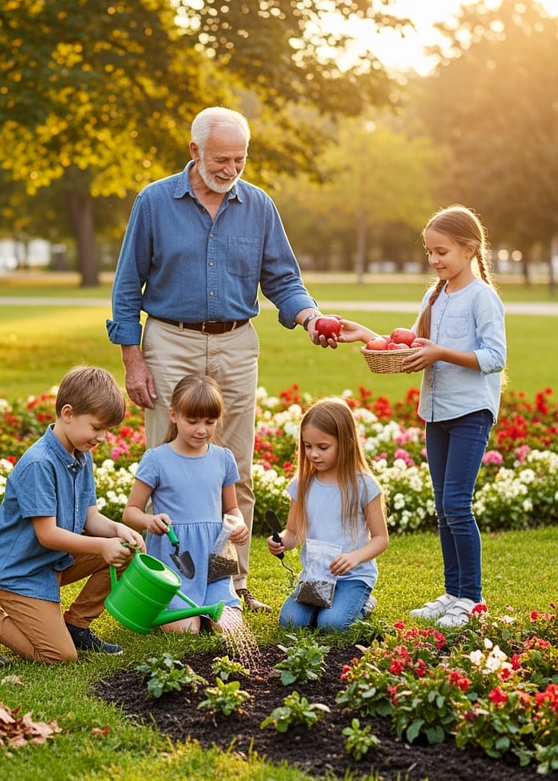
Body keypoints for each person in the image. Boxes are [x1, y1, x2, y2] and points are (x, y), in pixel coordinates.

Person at [107, 105, 338, 612]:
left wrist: (311, 317)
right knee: (169, 466)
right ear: (195, 152)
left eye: (239, 159)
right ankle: (169, 589)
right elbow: (127, 286)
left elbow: (283, 279)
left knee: (234, 470)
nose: (231, 169)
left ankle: (229, 587)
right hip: (170, 340)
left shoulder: (258, 206)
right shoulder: (154, 202)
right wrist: (133, 359)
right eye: (221, 159)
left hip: (236, 343)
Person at [339, 204, 506, 628]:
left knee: (456, 503)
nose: (434, 260)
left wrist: (441, 352)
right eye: (430, 252)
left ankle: (472, 600)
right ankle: (452, 594)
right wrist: (366, 334)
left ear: (470, 249)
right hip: (436, 411)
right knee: (442, 506)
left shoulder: (482, 297)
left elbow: (495, 356)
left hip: (471, 412)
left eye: (442, 252)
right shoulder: (435, 295)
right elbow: (410, 344)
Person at [0, 366, 146, 662]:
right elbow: (48, 535)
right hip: (19, 572)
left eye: (108, 430)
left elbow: (90, 517)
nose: (103, 438)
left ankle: (76, 625)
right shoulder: (39, 464)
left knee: (125, 551)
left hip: (52, 562)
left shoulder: (82, 455)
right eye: (96, 428)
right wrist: (102, 546)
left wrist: (117, 531)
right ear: (67, 413)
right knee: (58, 655)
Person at [123, 375, 250, 634]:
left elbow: (231, 508)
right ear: (173, 415)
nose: (201, 430)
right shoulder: (157, 460)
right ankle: (182, 610)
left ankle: (212, 605)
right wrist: (150, 521)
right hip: (174, 565)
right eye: (192, 421)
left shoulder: (223, 459)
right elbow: (130, 512)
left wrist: (239, 524)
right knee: (185, 629)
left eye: (209, 422)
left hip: (214, 562)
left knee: (228, 628)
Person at [266, 397, 388, 632]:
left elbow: (381, 539)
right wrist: (280, 542)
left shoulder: (364, 485)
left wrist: (354, 557)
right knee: (291, 622)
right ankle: (330, 607)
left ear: (347, 443)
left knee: (332, 625)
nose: (313, 454)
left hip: (353, 577)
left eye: (323, 447)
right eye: (308, 446)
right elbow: (292, 532)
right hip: (315, 577)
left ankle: (363, 604)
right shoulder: (302, 484)